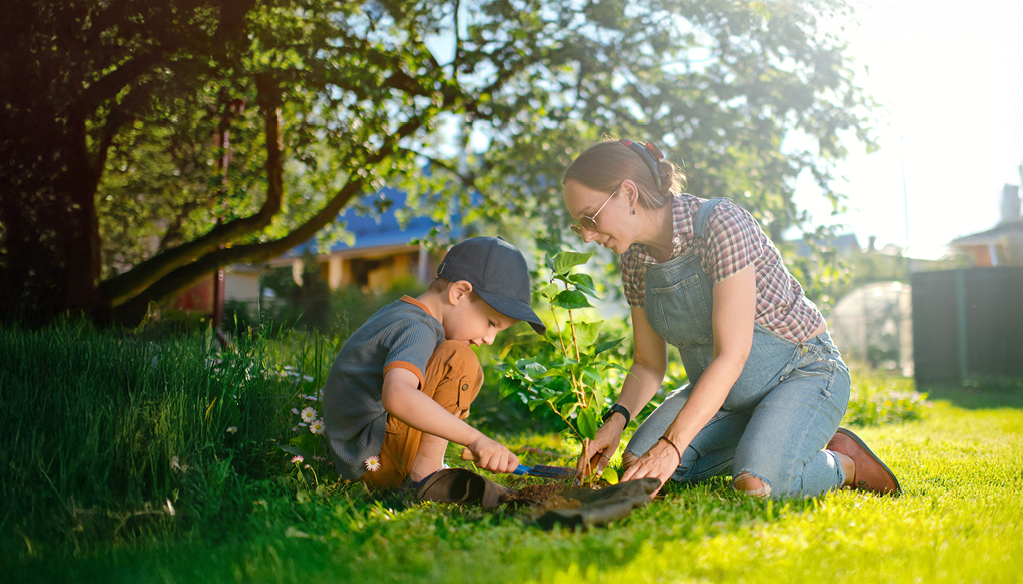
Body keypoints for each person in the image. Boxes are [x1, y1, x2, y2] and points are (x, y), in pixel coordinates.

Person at [563, 139, 900, 499]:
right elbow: (647, 364)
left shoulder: (719, 224)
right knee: (637, 466)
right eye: (577, 226)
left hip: (803, 372)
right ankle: (766, 436)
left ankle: (843, 463)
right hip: (728, 398)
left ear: (628, 194)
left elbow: (732, 355)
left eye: (590, 218)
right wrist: (615, 422)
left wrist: (673, 446)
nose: (586, 235)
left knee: (757, 484)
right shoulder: (633, 262)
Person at [323, 237, 546, 489]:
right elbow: (397, 394)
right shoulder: (418, 328)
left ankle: (426, 467)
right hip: (371, 463)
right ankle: (426, 476)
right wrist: (475, 439)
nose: (489, 339)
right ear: (459, 293)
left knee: (452, 356)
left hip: (352, 455)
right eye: (491, 323)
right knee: (457, 358)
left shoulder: (402, 313)